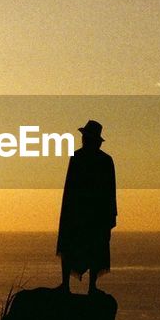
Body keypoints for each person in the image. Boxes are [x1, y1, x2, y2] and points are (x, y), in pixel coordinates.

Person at [56, 120, 116, 293]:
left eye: (86, 137)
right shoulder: (85, 158)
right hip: (82, 213)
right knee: (76, 246)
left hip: (89, 213)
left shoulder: (102, 161)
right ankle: (70, 285)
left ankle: (88, 286)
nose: (83, 140)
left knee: (93, 247)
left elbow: (109, 190)